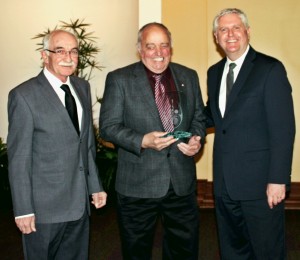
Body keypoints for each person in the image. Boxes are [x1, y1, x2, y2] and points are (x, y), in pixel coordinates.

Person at [100, 22, 206, 259]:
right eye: (151, 46)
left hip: (181, 183)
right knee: (136, 252)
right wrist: (142, 140)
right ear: (140, 49)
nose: (158, 53)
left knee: (184, 250)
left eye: (164, 46)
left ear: (171, 48)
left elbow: (198, 117)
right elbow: (108, 128)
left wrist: (196, 139)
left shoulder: (188, 76)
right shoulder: (119, 79)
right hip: (138, 185)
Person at [7, 29, 107, 260]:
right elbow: (19, 159)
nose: (68, 57)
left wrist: (95, 185)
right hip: (43, 210)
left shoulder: (82, 87)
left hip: (79, 204)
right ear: (45, 55)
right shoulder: (24, 96)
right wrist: (23, 209)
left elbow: (87, 144)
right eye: (60, 51)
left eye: (73, 51)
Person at [205, 8, 295, 259]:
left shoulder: (269, 69)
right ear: (216, 36)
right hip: (224, 184)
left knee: (267, 250)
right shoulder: (214, 73)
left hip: (261, 185)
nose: (230, 34)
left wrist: (278, 179)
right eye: (223, 29)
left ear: (247, 32)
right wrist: (185, 129)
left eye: (236, 28)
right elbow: (214, 115)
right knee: (233, 249)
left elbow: (283, 128)